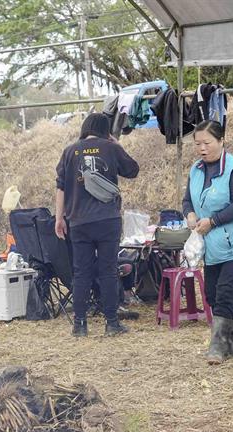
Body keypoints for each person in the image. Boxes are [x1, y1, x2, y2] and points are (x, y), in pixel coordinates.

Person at [55, 113, 139, 337]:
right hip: (107, 220)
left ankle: (79, 325)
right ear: (106, 130)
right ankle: (111, 323)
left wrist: (59, 218)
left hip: (79, 221)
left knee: (81, 272)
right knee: (108, 271)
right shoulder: (111, 148)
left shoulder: (70, 151)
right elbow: (132, 170)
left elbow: (60, 187)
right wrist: (118, 145)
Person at [183, 120, 233, 365]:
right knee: (212, 293)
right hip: (212, 246)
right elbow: (187, 200)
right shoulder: (196, 169)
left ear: (221, 141)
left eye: (207, 143)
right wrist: (190, 214)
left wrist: (213, 221)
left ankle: (216, 346)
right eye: (198, 144)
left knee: (226, 291)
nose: (202, 148)